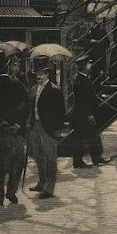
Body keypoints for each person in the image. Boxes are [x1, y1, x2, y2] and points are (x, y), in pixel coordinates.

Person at [0, 50, 29, 206]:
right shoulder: (16, 84)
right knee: (16, 165)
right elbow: (26, 104)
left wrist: (0, 123)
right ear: (7, 66)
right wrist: (17, 123)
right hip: (15, 134)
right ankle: (11, 192)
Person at [28, 56, 65, 199]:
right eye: (36, 73)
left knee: (50, 158)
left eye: (42, 73)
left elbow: (60, 113)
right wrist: (29, 121)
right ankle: (41, 182)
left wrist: (57, 130)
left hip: (48, 128)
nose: (38, 76)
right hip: (34, 126)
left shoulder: (54, 90)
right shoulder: (33, 89)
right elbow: (31, 108)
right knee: (38, 156)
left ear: (47, 74)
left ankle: (49, 188)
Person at [71, 55, 110, 168]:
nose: (90, 65)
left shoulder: (83, 79)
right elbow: (82, 101)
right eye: (88, 63)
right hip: (83, 115)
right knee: (87, 137)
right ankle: (87, 160)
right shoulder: (80, 81)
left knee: (89, 136)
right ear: (83, 66)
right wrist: (89, 115)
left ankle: (93, 159)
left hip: (83, 115)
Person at [86, 17, 108, 89]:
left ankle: (98, 92)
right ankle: (95, 93)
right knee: (93, 75)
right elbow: (87, 41)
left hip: (99, 56)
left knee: (97, 75)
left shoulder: (101, 30)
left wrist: (96, 41)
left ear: (94, 22)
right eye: (88, 22)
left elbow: (107, 42)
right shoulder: (90, 31)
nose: (88, 24)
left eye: (90, 22)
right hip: (92, 56)